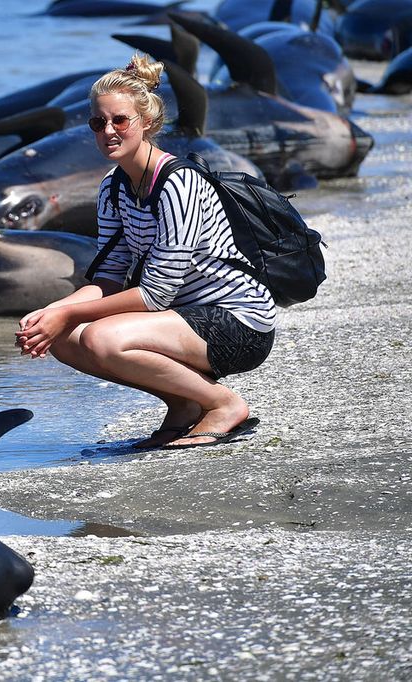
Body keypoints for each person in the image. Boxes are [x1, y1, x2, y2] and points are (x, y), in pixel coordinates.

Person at [14, 54, 276, 449]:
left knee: (101, 339)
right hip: (183, 320)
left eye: (120, 120)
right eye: (98, 123)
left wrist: (65, 313)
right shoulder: (113, 187)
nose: (108, 131)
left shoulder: (178, 183)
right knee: (63, 337)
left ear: (147, 123)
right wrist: (51, 316)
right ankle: (184, 405)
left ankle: (224, 404)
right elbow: (107, 280)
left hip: (239, 323)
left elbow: (156, 295)